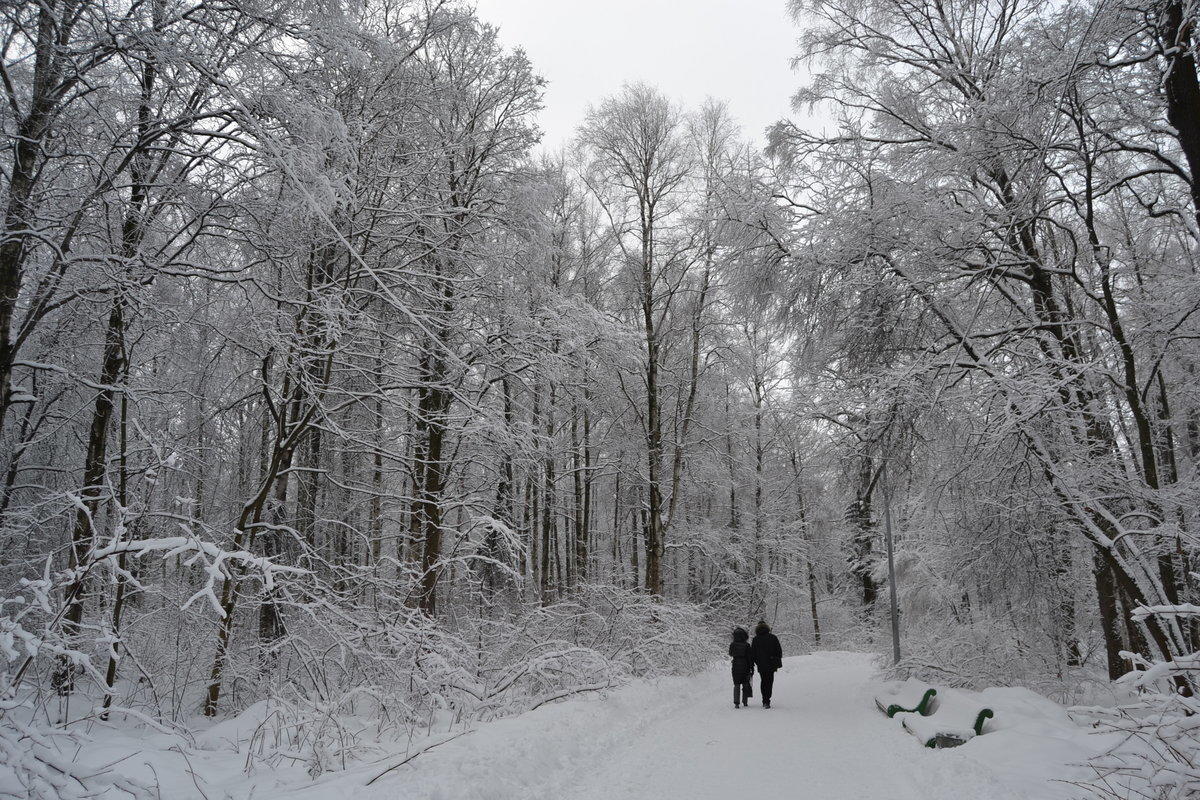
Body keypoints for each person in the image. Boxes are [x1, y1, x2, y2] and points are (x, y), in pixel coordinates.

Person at [751, 620, 783, 708]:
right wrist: (776, 660)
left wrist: (757, 662)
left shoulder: (755, 639)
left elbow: (752, 653)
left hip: (761, 665)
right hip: (771, 664)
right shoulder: (773, 637)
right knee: (769, 682)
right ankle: (767, 700)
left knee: (763, 681)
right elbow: (779, 651)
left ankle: (764, 700)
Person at [728, 627, 754, 708]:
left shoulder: (732, 645)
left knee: (736, 684)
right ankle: (745, 702)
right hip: (745, 665)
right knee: (745, 683)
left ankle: (736, 703)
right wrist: (751, 667)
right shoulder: (747, 645)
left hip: (735, 665)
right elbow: (750, 657)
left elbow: (730, 654)